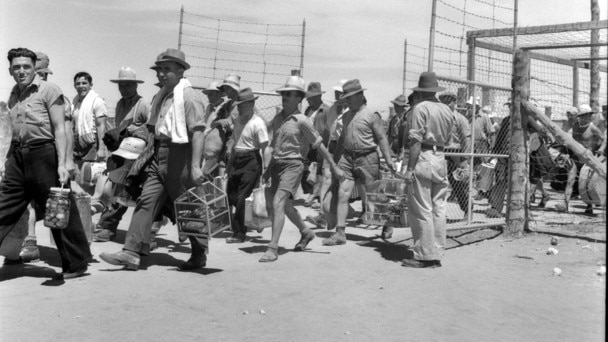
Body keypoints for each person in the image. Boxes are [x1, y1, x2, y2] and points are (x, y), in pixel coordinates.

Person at [99, 48, 208, 271]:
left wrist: (195, 166)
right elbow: (153, 128)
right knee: (146, 200)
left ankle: (199, 252)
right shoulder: (161, 96)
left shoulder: (189, 97)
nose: (161, 74)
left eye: (166, 69)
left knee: (187, 206)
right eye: (159, 69)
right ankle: (131, 252)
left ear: (180, 71)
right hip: (159, 154)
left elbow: (198, 132)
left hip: (181, 156)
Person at [0, 47, 91, 279]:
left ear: (34, 69)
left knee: (58, 210)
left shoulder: (49, 90)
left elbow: (61, 128)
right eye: (16, 67)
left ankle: (76, 264)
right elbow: (11, 131)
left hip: (44, 155)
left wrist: (63, 163)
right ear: (10, 70)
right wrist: (5, 161)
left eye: (26, 67)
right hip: (18, 157)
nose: (21, 71)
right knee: (4, 206)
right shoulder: (14, 95)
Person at [259, 75, 343, 262]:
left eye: (290, 94)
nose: (285, 97)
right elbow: (274, 144)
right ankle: (306, 232)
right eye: (284, 93)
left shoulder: (302, 120)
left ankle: (272, 248)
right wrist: (267, 169)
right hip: (277, 165)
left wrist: (334, 166)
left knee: (278, 203)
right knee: (286, 206)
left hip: (294, 165)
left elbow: (319, 143)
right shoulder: (279, 118)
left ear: (299, 98)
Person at [322, 79, 396, 246]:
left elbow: (382, 138)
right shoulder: (346, 116)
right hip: (347, 158)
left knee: (374, 195)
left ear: (360, 96)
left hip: (367, 158)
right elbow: (342, 139)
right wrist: (335, 161)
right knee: (343, 193)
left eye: (349, 97)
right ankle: (340, 233)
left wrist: (389, 159)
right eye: (345, 97)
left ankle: (387, 223)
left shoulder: (372, 115)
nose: (346, 100)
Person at [18, 51, 75, 262]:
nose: (41, 78)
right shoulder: (23, 95)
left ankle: (72, 254)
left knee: (57, 206)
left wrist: (67, 161)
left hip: (50, 155)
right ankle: (29, 242)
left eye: (43, 73)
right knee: (27, 202)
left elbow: (66, 130)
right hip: (28, 156)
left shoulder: (55, 96)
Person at [91, 66, 151, 243]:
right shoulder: (119, 104)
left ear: (135, 85)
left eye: (127, 85)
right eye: (121, 85)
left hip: (139, 156)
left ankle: (147, 232)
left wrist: (134, 129)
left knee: (135, 192)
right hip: (122, 154)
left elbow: (151, 130)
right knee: (117, 189)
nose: (123, 88)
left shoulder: (143, 105)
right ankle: (107, 226)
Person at [401, 72, 454, 268]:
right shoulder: (447, 109)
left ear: (420, 90)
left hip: (423, 156)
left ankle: (424, 255)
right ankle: (437, 251)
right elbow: (449, 138)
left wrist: (409, 168)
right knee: (439, 208)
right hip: (440, 156)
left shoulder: (419, 108)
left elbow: (415, 141)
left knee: (422, 208)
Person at [225, 88, 269, 243]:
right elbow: (235, 145)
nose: (238, 107)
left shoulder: (258, 123)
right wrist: (229, 167)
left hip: (251, 161)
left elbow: (265, 148)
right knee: (231, 195)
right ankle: (253, 219)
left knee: (242, 198)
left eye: (242, 104)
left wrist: (265, 171)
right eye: (238, 104)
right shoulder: (238, 121)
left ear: (251, 104)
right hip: (237, 159)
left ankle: (239, 233)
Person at [71, 71, 110, 193]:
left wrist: (102, 148)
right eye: (78, 83)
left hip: (92, 144)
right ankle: (83, 207)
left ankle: (92, 207)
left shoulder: (96, 101)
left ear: (90, 84)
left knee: (88, 180)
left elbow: (101, 125)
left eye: (84, 83)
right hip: (78, 144)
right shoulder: (75, 102)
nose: (81, 86)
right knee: (78, 179)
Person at [439, 92, 472, 218]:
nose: (446, 104)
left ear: (454, 103)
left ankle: (468, 210)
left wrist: (464, 159)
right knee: (438, 183)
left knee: (459, 184)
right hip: (441, 152)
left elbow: (466, 139)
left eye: (449, 101)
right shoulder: (438, 117)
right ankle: (439, 213)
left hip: (456, 153)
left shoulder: (459, 119)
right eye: (443, 101)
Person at [568, 104, 604, 214]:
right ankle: (566, 204)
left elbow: (603, 139)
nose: (584, 118)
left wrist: (600, 150)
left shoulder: (593, 128)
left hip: (589, 158)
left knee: (586, 182)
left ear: (590, 116)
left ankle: (589, 205)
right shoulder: (575, 126)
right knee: (570, 180)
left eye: (586, 115)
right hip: (576, 157)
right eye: (582, 116)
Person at [302, 81, 330, 208]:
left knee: (318, 169)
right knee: (307, 168)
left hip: (319, 143)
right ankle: (312, 192)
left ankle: (314, 194)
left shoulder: (325, 110)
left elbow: (327, 130)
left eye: (310, 98)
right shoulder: (308, 110)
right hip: (307, 144)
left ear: (317, 97)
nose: (307, 100)